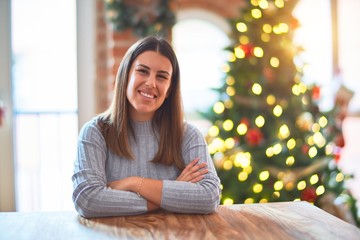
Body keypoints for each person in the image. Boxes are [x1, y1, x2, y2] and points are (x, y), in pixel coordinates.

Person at [72, 36, 221, 218]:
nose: (151, 83)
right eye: (142, 71)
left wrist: (134, 183)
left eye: (161, 77)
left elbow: (209, 196)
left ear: (169, 89)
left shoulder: (188, 135)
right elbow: (87, 200)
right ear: (126, 75)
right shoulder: (95, 132)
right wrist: (169, 193)